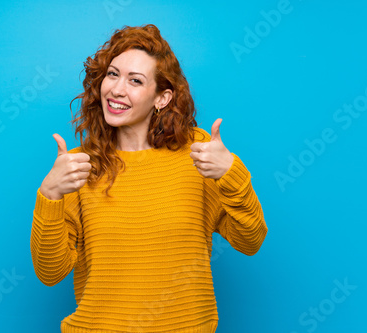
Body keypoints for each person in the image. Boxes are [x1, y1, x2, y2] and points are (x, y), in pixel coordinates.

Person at [30, 24, 268, 333]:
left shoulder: (199, 153)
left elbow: (251, 241)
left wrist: (230, 173)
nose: (116, 89)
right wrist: (49, 195)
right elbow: (51, 273)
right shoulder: (78, 166)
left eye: (135, 81)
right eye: (112, 75)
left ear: (162, 98)